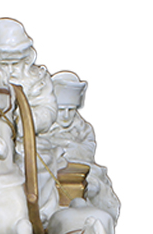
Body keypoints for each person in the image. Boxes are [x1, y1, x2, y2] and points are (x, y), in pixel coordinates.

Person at [36, 70, 121, 221]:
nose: (66, 115)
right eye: (61, 110)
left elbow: (88, 151)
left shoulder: (83, 128)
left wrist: (67, 146)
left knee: (94, 187)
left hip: (81, 168)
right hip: (51, 171)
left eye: (71, 110)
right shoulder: (43, 128)